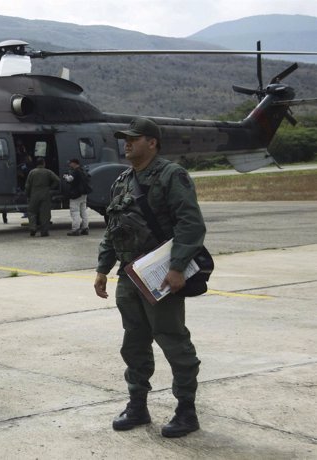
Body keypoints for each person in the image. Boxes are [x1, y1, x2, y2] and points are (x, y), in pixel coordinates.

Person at [94, 117, 205, 438]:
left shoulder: (172, 176)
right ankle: (137, 406)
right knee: (134, 342)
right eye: (125, 139)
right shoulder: (123, 180)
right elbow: (113, 228)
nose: (126, 143)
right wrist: (103, 268)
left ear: (152, 142)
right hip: (129, 276)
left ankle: (186, 410)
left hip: (160, 275)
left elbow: (191, 225)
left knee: (173, 341)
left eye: (134, 138)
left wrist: (177, 267)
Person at [25, 157, 60, 237]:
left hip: (34, 194)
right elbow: (57, 180)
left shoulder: (32, 172)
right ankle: (44, 232)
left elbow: (27, 185)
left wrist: (27, 195)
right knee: (45, 213)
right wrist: (51, 187)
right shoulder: (48, 172)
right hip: (45, 194)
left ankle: (33, 228)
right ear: (44, 163)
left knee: (31, 212)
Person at [62, 158, 91, 236]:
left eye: (70, 163)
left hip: (76, 194)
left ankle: (75, 229)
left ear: (74, 163)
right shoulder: (83, 170)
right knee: (83, 212)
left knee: (75, 211)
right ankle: (85, 228)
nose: (70, 165)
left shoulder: (76, 171)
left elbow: (69, 179)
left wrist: (65, 176)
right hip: (84, 194)